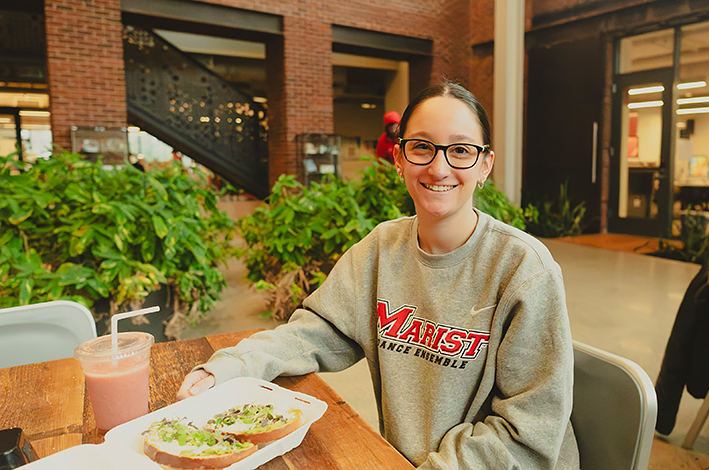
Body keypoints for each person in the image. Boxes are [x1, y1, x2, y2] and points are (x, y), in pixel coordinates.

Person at [177, 81, 579, 470]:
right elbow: (315, 332)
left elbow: (526, 432)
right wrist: (232, 366)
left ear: (484, 165)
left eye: (460, 150)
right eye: (422, 147)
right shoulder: (382, 248)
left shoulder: (523, 270)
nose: (439, 167)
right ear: (399, 158)